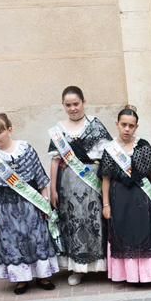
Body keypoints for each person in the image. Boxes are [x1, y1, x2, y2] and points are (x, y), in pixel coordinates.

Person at [0, 114, 58, 294]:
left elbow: (40, 178)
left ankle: (43, 275)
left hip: (30, 204)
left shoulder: (26, 150)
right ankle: (21, 280)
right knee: (13, 243)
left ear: (9, 130)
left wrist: (45, 204)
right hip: (5, 206)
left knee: (36, 238)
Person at [47, 86, 111, 287]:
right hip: (68, 183)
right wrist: (53, 190)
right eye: (68, 105)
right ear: (63, 106)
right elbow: (55, 161)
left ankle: (101, 266)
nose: (73, 108)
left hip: (92, 180)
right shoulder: (58, 130)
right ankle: (77, 268)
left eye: (76, 104)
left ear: (84, 102)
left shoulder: (95, 126)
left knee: (95, 220)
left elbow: (107, 156)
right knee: (73, 221)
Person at [99, 106, 151, 285]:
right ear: (117, 125)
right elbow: (105, 178)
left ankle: (148, 275)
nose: (127, 129)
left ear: (136, 127)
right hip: (119, 198)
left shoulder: (143, 146)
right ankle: (127, 275)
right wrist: (106, 204)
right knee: (124, 233)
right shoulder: (110, 149)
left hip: (142, 197)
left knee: (145, 232)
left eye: (131, 125)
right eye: (124, 125)